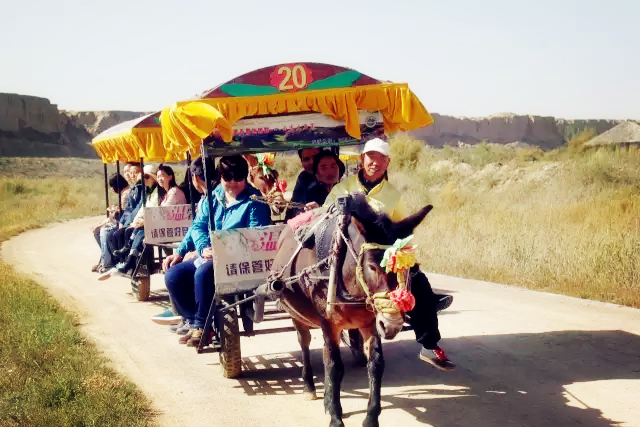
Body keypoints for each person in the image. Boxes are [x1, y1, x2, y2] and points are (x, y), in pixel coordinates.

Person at [324, 138, 456, 371]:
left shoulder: (393, 195)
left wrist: (405, 260)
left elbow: (402, 232)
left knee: (419, 285)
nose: (374, 163)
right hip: (347, 256)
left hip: (381, 255)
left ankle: (429, 345)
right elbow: (325, 219)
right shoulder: (342, 189)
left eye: (380, 159)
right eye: (370, 157)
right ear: (362, 159)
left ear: (388, 163)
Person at [162, 155, 272, 347]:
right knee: (173, 275)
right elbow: (198, 226)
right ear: (220, 177)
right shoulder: (213, 197)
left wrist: (223, 249)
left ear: (245, 177)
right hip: (208, 255)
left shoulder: (254, 202)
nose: (233, 183)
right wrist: (193, 248)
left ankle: (201, 326)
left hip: (237, 260)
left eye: (238, 178)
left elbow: (255, 235)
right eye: (227, 178)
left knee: (203, 273)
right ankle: (194, 320)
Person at [98, 165, 162, 280]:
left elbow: (156, 209)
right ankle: (121, 262)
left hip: (154, 222)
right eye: (143, 177)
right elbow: (139, 209)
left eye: (146, 177)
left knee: (129, 232)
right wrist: (134, 221)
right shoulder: (147, 191)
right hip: (144, 221)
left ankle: (126, 264)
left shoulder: (155, 191)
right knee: (122, 232)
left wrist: (140, 221)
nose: (144, 180)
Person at [91, 172, 130, 272]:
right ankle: (105, 258)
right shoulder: (123, 193)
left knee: (104, 231)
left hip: (123, 222)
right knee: (98, 231)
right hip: (118, 220)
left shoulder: (125, 194)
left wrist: (116, 211)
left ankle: (107, 263)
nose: (112, 189)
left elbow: (123, 212)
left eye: (113, 186)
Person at [284, 147, 321, 220]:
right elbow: (293, 206)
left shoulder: (331, 182)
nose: (312, 162)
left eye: (315, 157)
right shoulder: (302, 178)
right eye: (307, 159)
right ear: (302, 162)